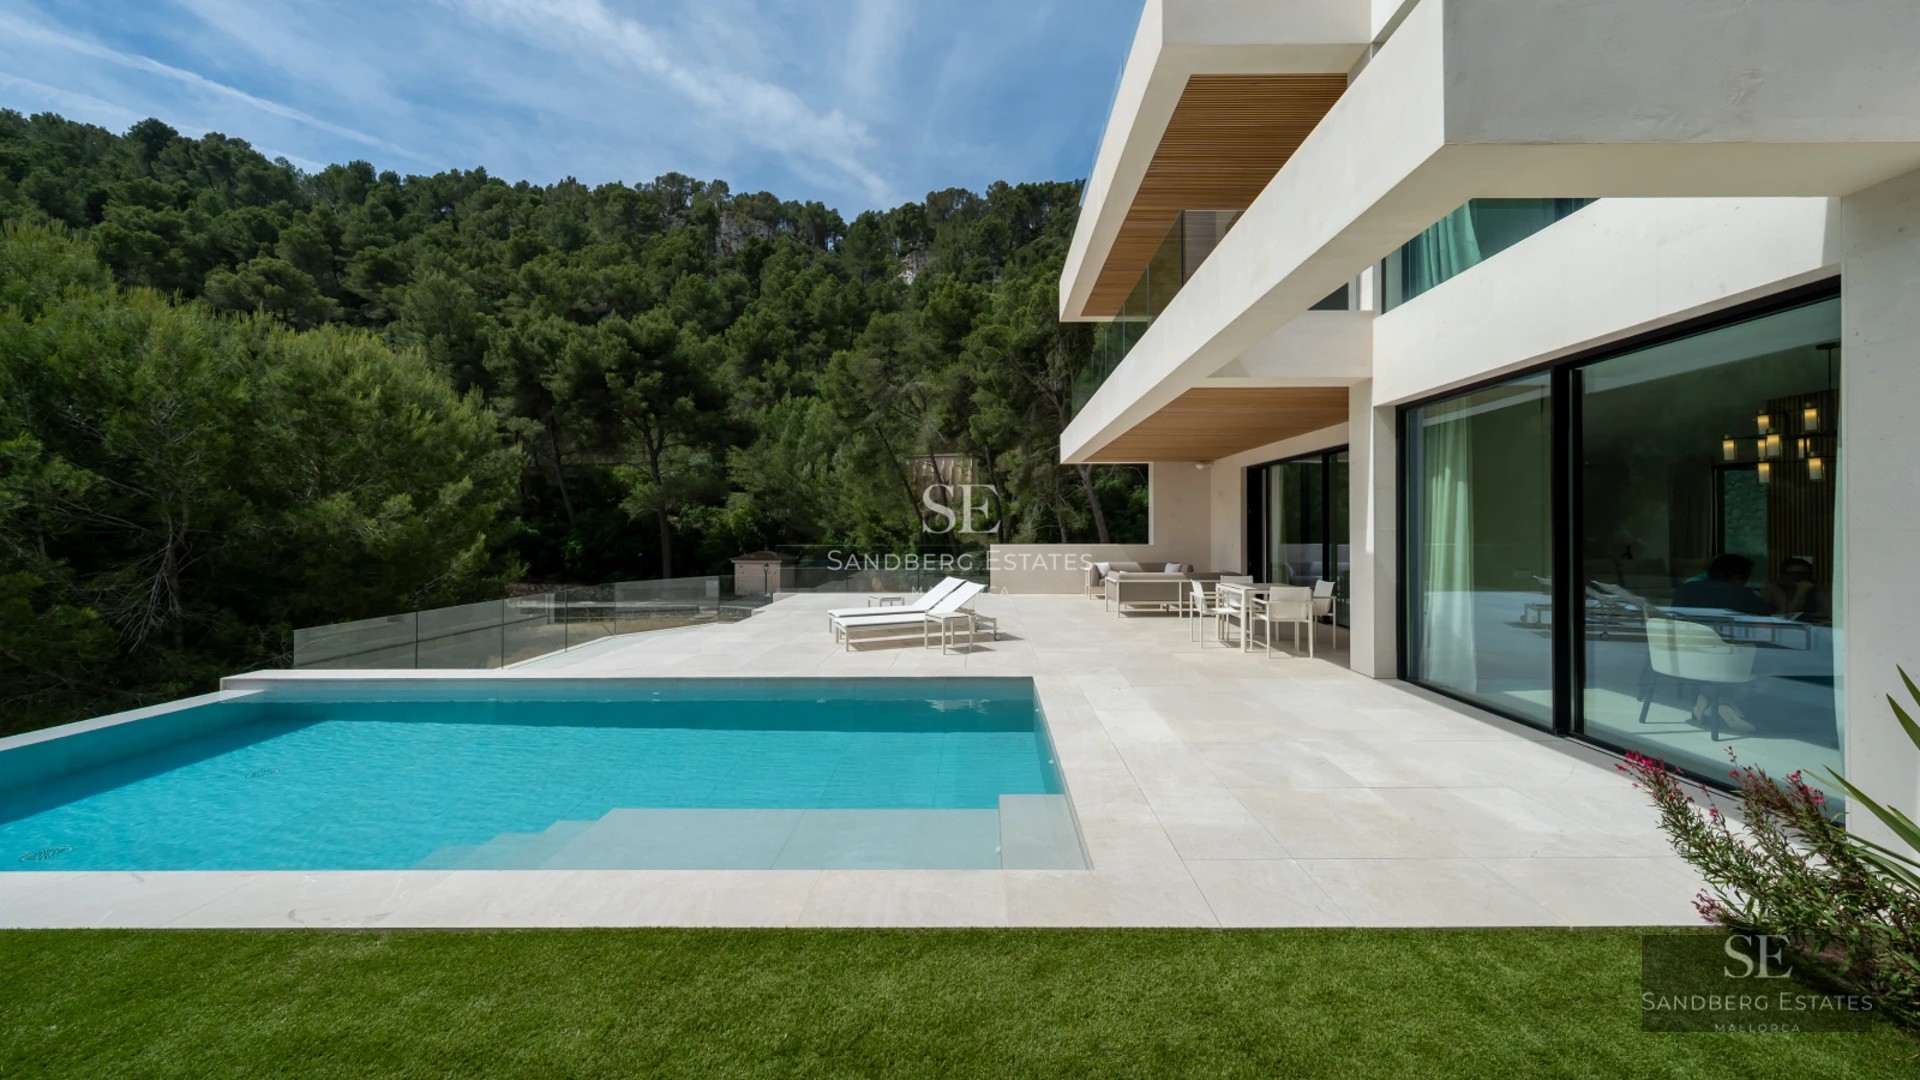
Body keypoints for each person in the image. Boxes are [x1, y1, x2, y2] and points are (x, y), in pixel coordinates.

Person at [1670, 554, 1770, 616]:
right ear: (1737, 577)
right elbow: (1764, 624)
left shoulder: (1686, 589)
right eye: (1747, 578)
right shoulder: (1745, 595)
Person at [1763, 556, 1831, 622]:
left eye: (1803, 574)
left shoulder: (1816, 588)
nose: (1797, 577)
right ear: (1783, 575)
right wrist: (1801, 591)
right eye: (1792, 574)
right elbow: (1786, 615)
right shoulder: (1773, 588)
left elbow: (1829, 613)